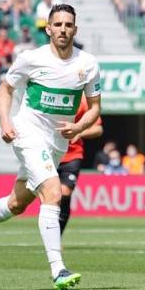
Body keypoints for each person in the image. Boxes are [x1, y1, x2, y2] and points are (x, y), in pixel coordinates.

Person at [0, 4, 102, 290]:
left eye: (68, 25)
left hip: (57, 143)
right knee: (53, 192)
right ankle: (58, 269)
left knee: (17, 204)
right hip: (27, 133)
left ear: (75, 29)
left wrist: (79, 128)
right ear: (48, 28)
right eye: (57, 24)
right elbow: (5, 89)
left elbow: (95, 108)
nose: (62, 29)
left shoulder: (88, 64)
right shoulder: (31, 59)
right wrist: (5, 121)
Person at [57, 96, 103, 235]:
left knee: (64, 192)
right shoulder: (49, 92)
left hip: (72, 155)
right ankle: (50, 234)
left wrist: (79, 131)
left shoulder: (82, 100)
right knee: (51, 197)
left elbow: (98, 129)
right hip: (48, 154)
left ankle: (57, 236)